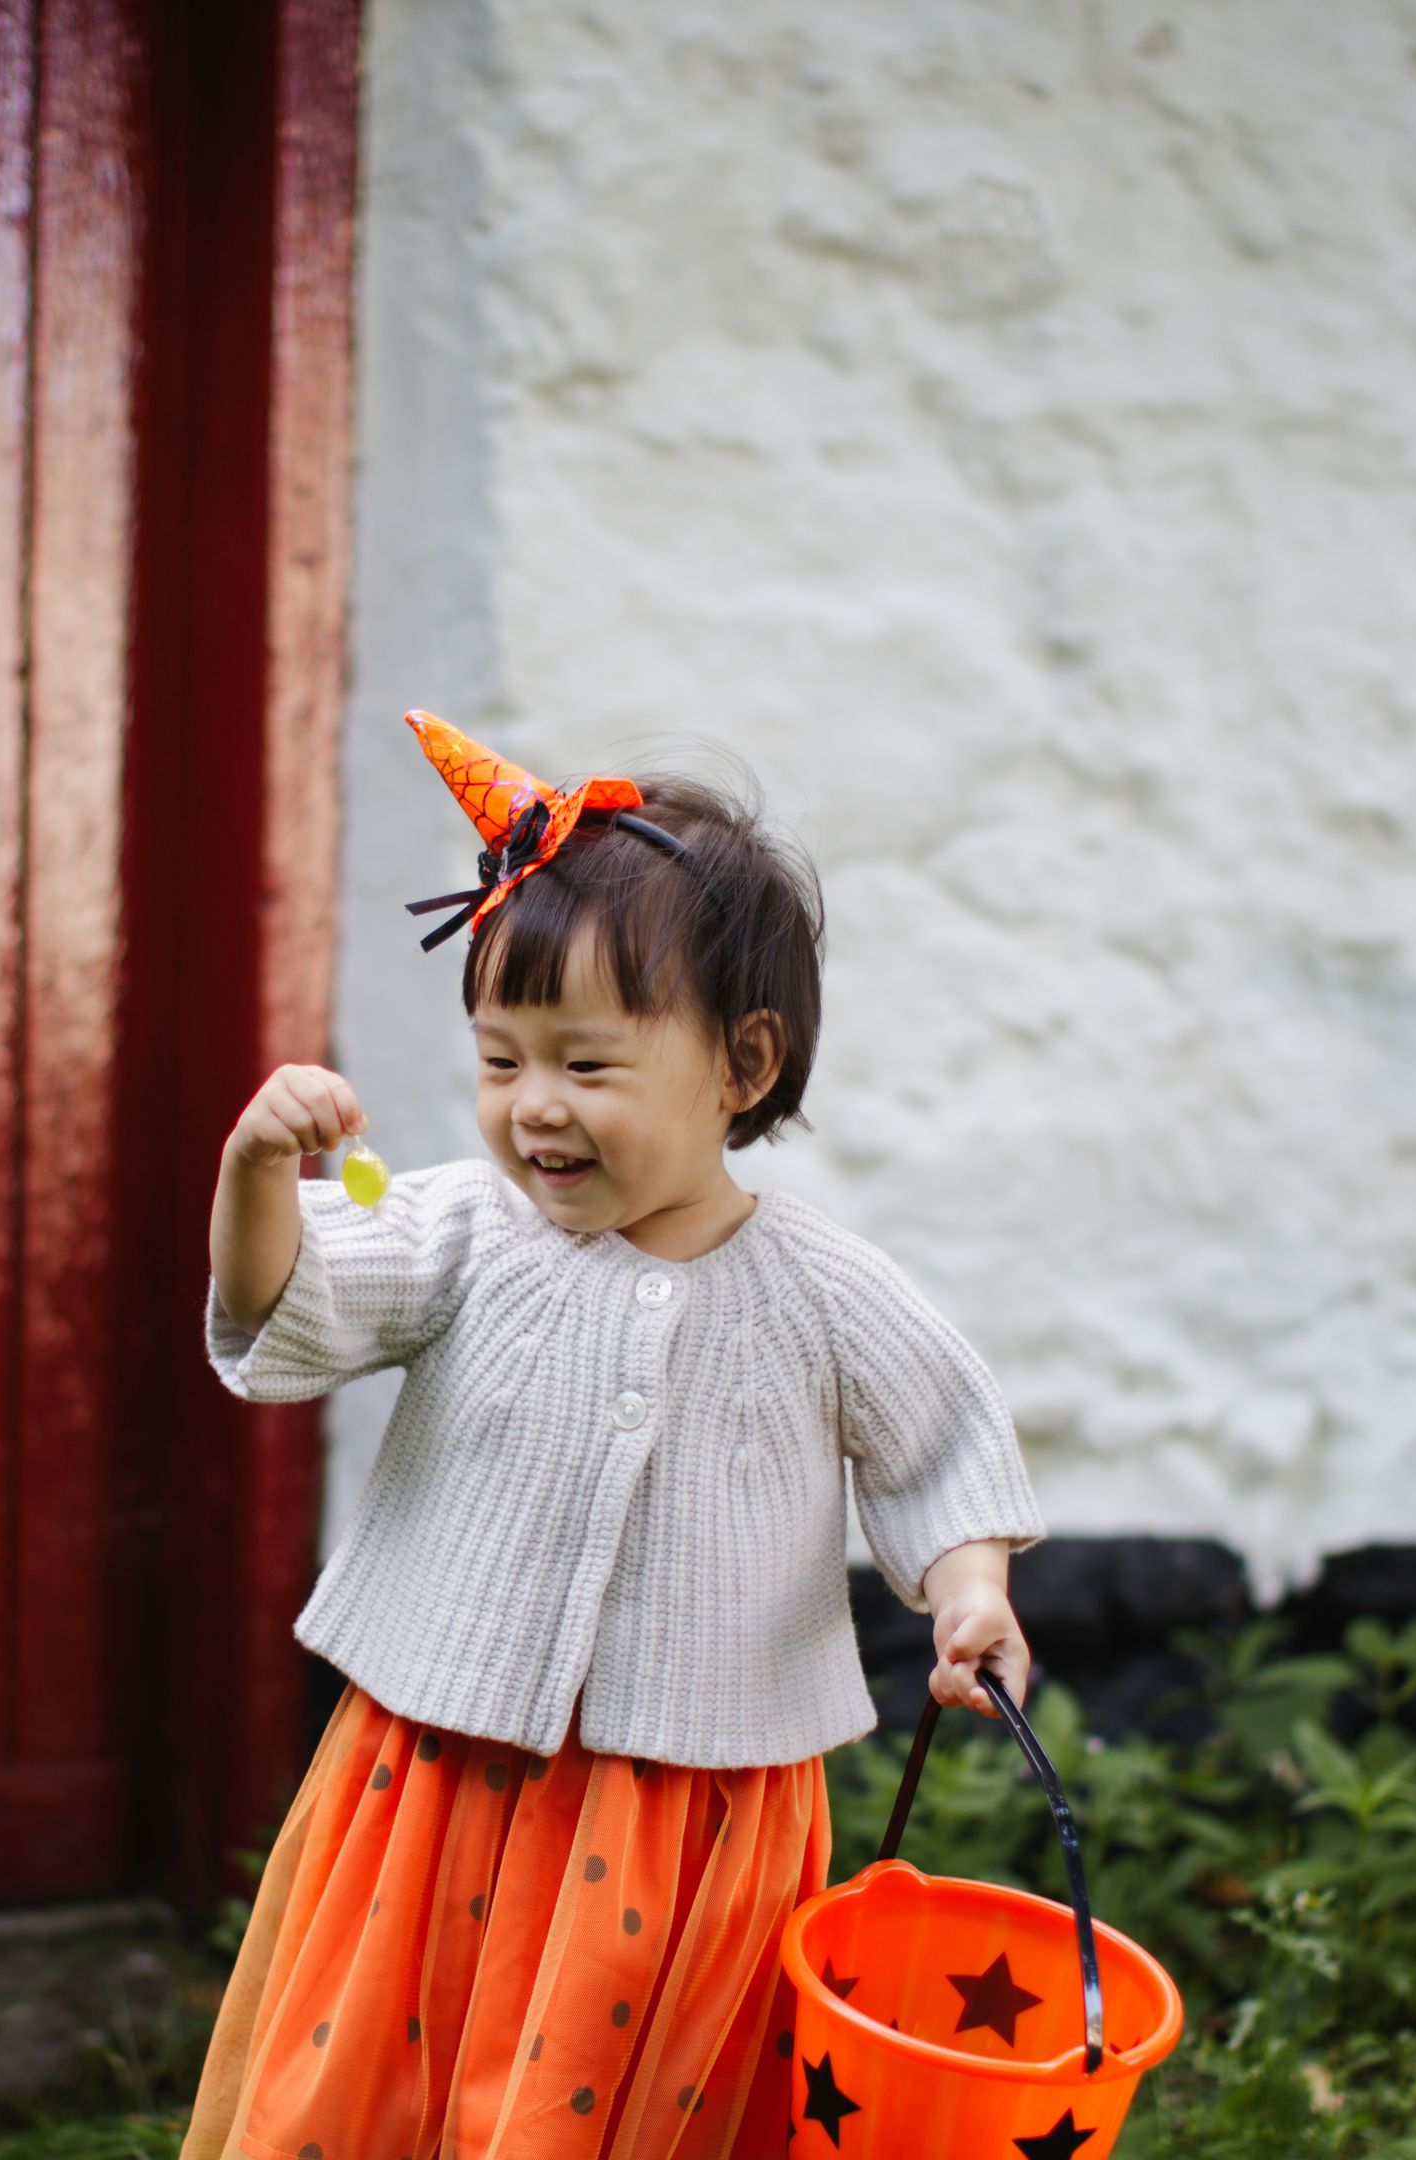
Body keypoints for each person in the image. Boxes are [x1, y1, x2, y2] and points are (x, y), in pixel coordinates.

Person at [181, 713, 1045, 2160]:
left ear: (744, 1066)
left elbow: (943, 1448)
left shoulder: (822, 1293)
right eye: (500, 1059)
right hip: (438, 1783)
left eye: (585, 1066)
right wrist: (254, 1176)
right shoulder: (462, 1230)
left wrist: (969, 1595)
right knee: (390, 2076)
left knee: (610, 2102)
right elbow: (287, 1306)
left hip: (682, 1820)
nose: (532, 1111)